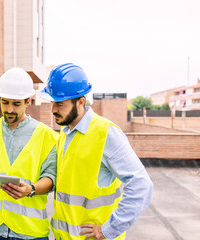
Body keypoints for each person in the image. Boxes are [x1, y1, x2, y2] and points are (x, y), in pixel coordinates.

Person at [39, 63, 153, 240]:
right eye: (52, 103)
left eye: (60, 104)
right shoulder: (65, 134)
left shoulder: (106, 133)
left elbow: (141, 185)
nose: (53, 109)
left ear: (81, 102)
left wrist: (109, 229)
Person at [0, 67, 58, 240]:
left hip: (29, 231)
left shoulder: (46, 135)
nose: (9, 109)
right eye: (4, 102)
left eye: (16, 104)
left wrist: (31, 189)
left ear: (28, 102)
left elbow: (51, 178)